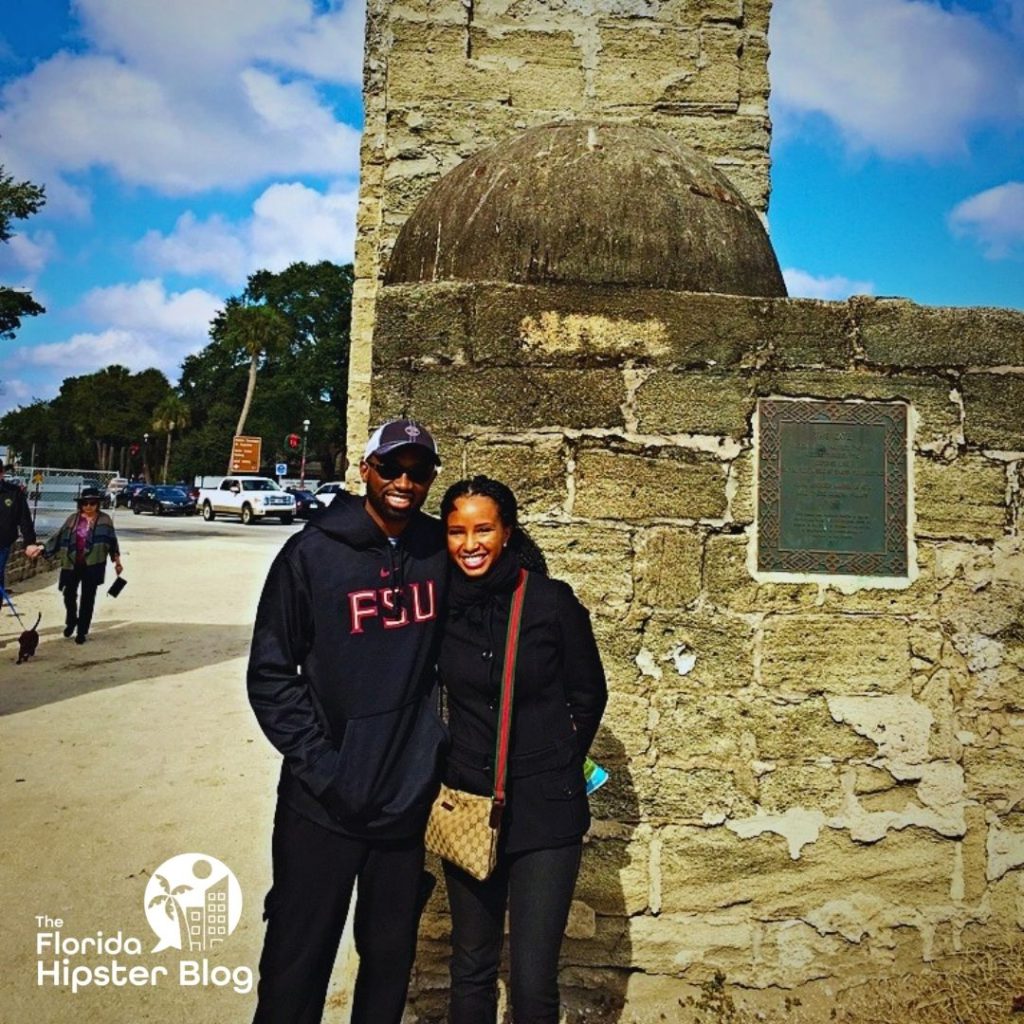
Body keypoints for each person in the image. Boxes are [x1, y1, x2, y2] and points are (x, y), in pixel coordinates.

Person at [247, 418, 449, 1024]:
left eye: (418, 472)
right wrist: (327, 769)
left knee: (388, 967)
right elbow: (272, 674)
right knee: (295, 964)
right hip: (322, 805)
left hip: (403, 807)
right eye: (391, 468)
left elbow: (507, 585)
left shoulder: (440, 551)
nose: (404, 482)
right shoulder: (310, 554)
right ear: (366, 470)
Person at [438, 475, 607, 1024]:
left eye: (483, 529)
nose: (470, 544)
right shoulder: (439, 607)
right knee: (471, 969)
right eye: (457, 531)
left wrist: (555, 760)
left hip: (546, 814)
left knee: (534, 979)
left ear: (506, 532)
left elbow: (588, 693)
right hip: (468, 807)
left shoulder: (549, 603)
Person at [35, 486, 122, 644]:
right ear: (81, 504)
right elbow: (59, 536)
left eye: (92, 503)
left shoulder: (105, 520)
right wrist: (42, 548)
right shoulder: (73, 519)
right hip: (72, 563)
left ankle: (82, 631)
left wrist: (117, 562)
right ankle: (71, 620)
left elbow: (111, 542)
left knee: (88, 599)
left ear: (98, 504)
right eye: (85, 503)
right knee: (68, 595)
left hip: (94, 564)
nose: (89, 506)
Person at [0, 458, 43, 596]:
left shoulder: (14, 492)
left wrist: (29, 543)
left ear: (1, 473)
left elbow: (24, 519)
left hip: (3, 543)